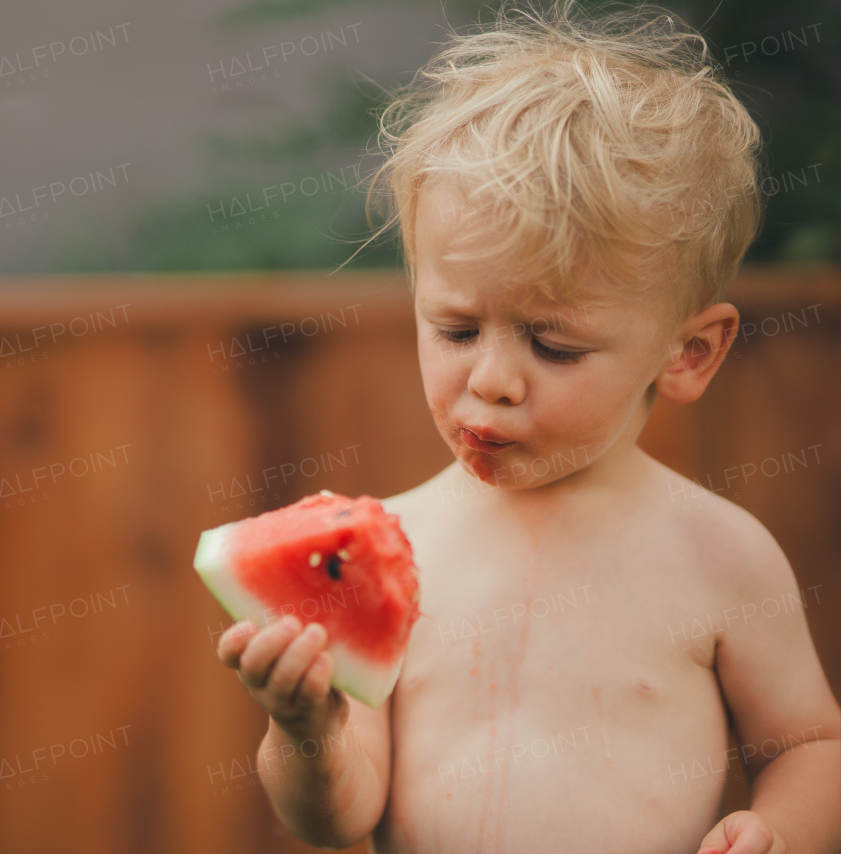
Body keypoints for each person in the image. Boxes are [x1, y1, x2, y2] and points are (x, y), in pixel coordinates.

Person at [214, 2, 841, 851]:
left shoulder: (719, 555)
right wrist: (305, 729)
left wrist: (781, 831)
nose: (493, 379)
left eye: (553, 344)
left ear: (688, 352)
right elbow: (337, 818)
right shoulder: (389, 556)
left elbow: (810, 746)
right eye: (457, 330)